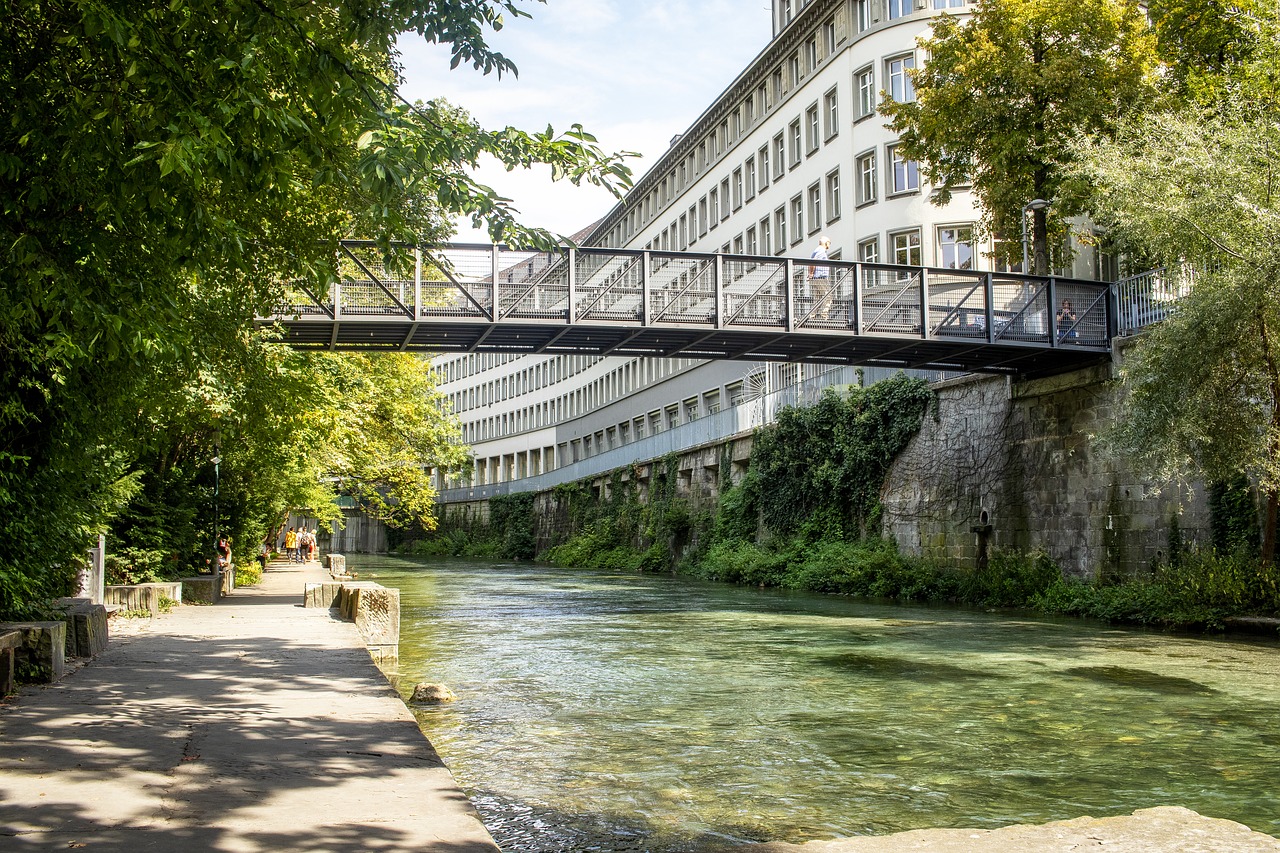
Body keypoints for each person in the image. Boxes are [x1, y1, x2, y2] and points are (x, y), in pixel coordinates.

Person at [808, 235, 833, 320]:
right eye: (829, 243)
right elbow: (813, 261)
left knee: (817, 298)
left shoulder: (816, 250)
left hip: (816, 278)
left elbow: (811, 262)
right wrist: (811, 273)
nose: (829, 245)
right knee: (828, 296)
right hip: (821, 277)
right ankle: (824, 314)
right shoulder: (821, 250)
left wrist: (811, 273)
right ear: (826, 243)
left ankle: (812, 316)